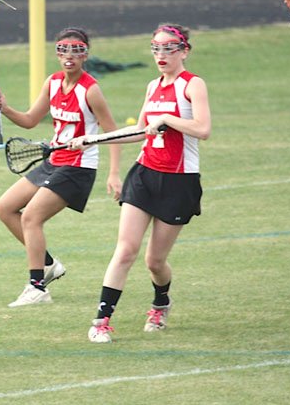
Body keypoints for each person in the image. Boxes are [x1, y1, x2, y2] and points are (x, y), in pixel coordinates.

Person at [69, 23, 211, 343]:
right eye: (155, 48)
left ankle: (161, 303)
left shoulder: (193, 85)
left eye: (169, 48)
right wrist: (95, 139)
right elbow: (139, 132)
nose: (161, 54)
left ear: (184, 51)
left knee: (154, 261)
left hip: (179, 181)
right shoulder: (152, 86)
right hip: (145, 174)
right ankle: (101, 321)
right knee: (125, 251)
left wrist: (167, 120)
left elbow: (202, 129)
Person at [0, 27, 122, 307]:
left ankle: (37, 287)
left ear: (86, 54)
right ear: (57, 54)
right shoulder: (52, 83)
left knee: (31, 218)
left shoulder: (91, 90)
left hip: (78, 168)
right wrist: (5, 108)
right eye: (63, 49)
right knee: (5, 208)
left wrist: (113, 173)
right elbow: (29, 120)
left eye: (77, 50)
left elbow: (113, 133)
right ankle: (48, 264)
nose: (69, 56)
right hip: (54, 161)